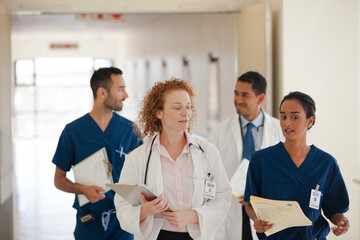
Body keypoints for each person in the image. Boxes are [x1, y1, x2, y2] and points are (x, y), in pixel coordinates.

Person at [114, 79, 232, 240]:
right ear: (158, 112)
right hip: (157, 235)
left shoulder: (208, 152)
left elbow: (222, 196)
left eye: (188, 107)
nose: (185, 113)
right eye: (177, 108)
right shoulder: (138, 157)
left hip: (196, 234)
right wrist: (144, 211)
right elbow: (122, 206)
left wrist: (193, 216)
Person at [244, 91, 350, 239]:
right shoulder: (261, 160)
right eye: (283, 116)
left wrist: (341, 222)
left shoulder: (326, 163)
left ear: (310, 121)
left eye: (294, 117)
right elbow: (250, 203)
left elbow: (334, 209)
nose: (287, 122)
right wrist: (257, 220)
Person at [52, 67, 142, 240]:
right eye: (120, 89)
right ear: (102, 92)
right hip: (89, 221)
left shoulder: (131, 131)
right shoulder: (73, 132)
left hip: (123, 221)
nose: (126, 95)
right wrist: (82, 189)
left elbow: (144, 173)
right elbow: (59, 179)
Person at [208, 71, 284, 240]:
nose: (238, 100)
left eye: (245, 95)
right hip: (229, 209)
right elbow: (208, 173)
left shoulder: (279, 130)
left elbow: (285, 173)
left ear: (260, 98)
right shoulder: (220, 131)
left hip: (264, 211)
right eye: (236, 93)